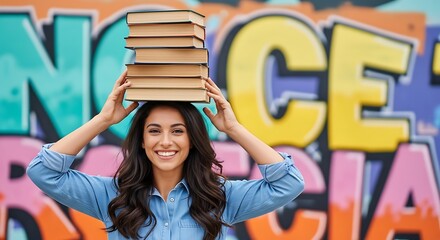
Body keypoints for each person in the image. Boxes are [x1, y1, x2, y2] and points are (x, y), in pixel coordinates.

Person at [27, 70, 305, 240]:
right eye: (154, 131)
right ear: (142, 141)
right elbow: (43, 171)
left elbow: (289, 183)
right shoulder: (112, 197)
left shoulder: (221, 198)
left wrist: (233, 128)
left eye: (177, 131)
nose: (165, 142)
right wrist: (103, 120)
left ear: (193, 140)